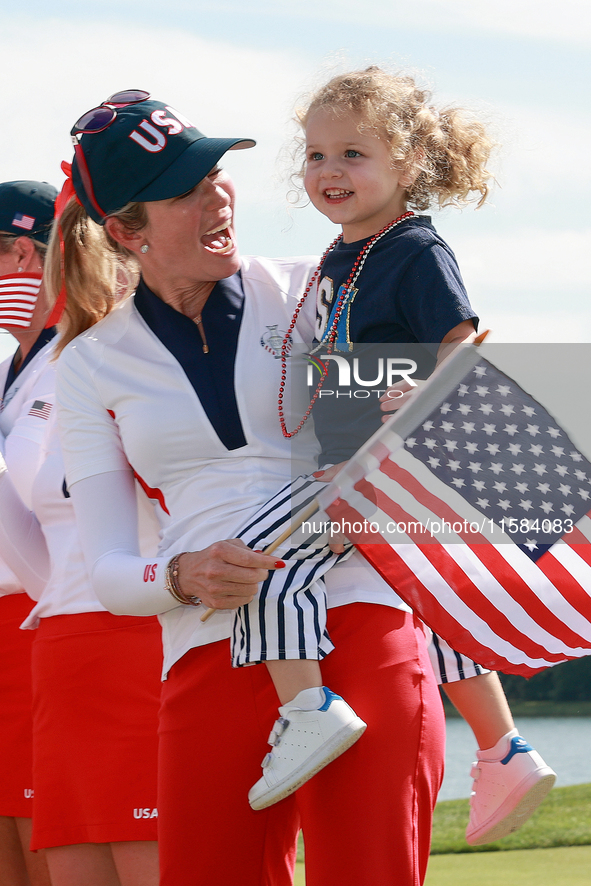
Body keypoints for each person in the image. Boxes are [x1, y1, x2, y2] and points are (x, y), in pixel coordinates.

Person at [51, 90, 445, 886]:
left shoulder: (319, 286)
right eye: (186, 189)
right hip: (204, 642)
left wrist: (428, 390)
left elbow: (426, 424)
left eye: (217, 173)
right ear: (127, 232)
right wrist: (181, 574)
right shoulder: (89, 365)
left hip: (359, 612)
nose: (218, 194)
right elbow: (110, 573)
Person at [282, 66, 556, 846]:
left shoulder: (412, 247)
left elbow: (460, 345)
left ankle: (307, 709)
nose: (329, 172)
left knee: (279, 571)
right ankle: (502, 747)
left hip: (388, 462)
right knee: (431, 606)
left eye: (352, 154)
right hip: (354, 459)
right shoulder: (340, 256)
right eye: (314, 156)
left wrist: (423, 398)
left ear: (405, 164)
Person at [0, 180, 161, 886]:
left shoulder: (123, 352)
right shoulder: (31, 363)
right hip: (59, 634)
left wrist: (72, 593)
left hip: (130, 627)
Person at [0, 181, 55, 886]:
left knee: (55, 854)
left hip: (49, 621)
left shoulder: (80, 354)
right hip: (11, 632)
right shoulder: (12, 364)